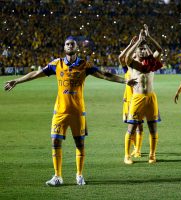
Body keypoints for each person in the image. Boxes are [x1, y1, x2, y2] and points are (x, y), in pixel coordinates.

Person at [4, 36, 137, 186]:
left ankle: (79, 175)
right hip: (60, 111)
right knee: (55, 140)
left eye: (72, 44)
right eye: (67, 44)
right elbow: (35, 74)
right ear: (64, 47)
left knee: (79, 143)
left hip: (77, 112)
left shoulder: (84, 65)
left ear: (76, 47)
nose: (69, 46)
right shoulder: (57, 64)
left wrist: (124, 81)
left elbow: (104, 75)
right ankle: (57, 176)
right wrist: (17, 81)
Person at [123, 24, 163, 164]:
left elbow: (159, 49)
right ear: (137, 52)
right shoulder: (134, 64)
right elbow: (127, 56)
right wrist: (138, 42)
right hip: (137, 98)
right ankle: (127, 155)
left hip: (151, 98)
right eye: (140, 50)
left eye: (144, 49)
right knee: (132, 127)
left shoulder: (151, 62)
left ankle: (152, 155)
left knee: (153, 128)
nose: (143, 51)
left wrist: (149, 37)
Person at [119, 36, 144, 158]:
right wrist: (130, 44)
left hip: (138, 101)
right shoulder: (126, 70)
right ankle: (135, 147)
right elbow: (120, 58)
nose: (132, 56)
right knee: (131, 127)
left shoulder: (140, 70)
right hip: (127, 101)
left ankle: (138, 150)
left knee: (139, 126)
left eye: (134, 55)